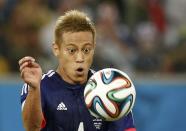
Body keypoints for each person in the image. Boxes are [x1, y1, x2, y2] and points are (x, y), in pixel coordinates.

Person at [19, 10, 136, 131]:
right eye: (71, 50)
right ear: (56, 49)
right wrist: (34, 89)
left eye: (86, 50)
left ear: (93, 49)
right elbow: (32, 128)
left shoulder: (110, 88)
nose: (80, 58)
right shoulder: (41, 86)